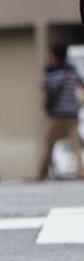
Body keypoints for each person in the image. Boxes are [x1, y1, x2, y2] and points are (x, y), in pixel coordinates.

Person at [39, 44, 84, 180]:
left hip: (56, 115)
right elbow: (80, 86)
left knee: (48, 145)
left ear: (53, 55)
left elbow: (44, 92)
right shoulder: (72, 71)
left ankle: (42, 173)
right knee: (75, 146)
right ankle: (80, 172)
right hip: (71, 114)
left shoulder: (49, 72)